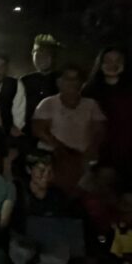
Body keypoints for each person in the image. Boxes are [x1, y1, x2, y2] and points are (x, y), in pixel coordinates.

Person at [82, 46, 132, 191]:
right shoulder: (90, 90)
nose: (112, 64)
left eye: (117, 60)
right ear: (100, 63)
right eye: (108, 60)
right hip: (101, 154)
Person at [33, 65, 106, 194]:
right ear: (59, 82)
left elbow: (99, 131)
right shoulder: (48, 103)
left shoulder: (91, 105)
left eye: (75, 79)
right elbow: (39, 130)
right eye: (67, 79)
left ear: (82, 82)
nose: (71, 83)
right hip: (55, 158)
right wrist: (62, 150)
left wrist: (89, 151)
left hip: (84, 159)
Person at [8, 151, 82, 264]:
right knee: (21, 249)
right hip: (23, 238)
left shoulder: (58, 195)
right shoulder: (17, 190)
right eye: (41, 170)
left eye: (50, 171)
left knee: (59, 260)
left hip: (48, 238)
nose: (46, 175)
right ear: (29, 169)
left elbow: (64, 224)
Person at [21, 34, 62, 136]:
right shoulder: (24, 81)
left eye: (46, 54)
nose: (41, 58)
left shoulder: (62, 80)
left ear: (53, 57)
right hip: (29, 134)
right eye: (38, 54)